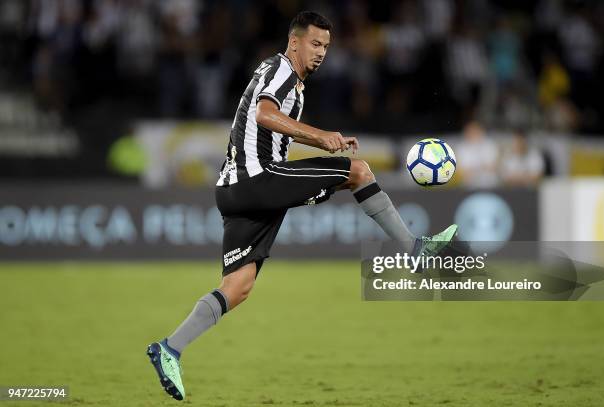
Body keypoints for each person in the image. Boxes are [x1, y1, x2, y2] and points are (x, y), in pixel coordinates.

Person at [146, 11, 457, 401]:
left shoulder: (287, 79)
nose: (322, 52)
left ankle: (169, 349)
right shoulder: (282, 70)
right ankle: (414, 250)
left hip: (234, 191)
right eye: (315, 43)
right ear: (294, 42)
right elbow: (264, 113)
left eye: (326, 46)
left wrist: (322, 140)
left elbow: (271, 124)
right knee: (358, 172)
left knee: (238, 287)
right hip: (255, 180)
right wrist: (320, 135)